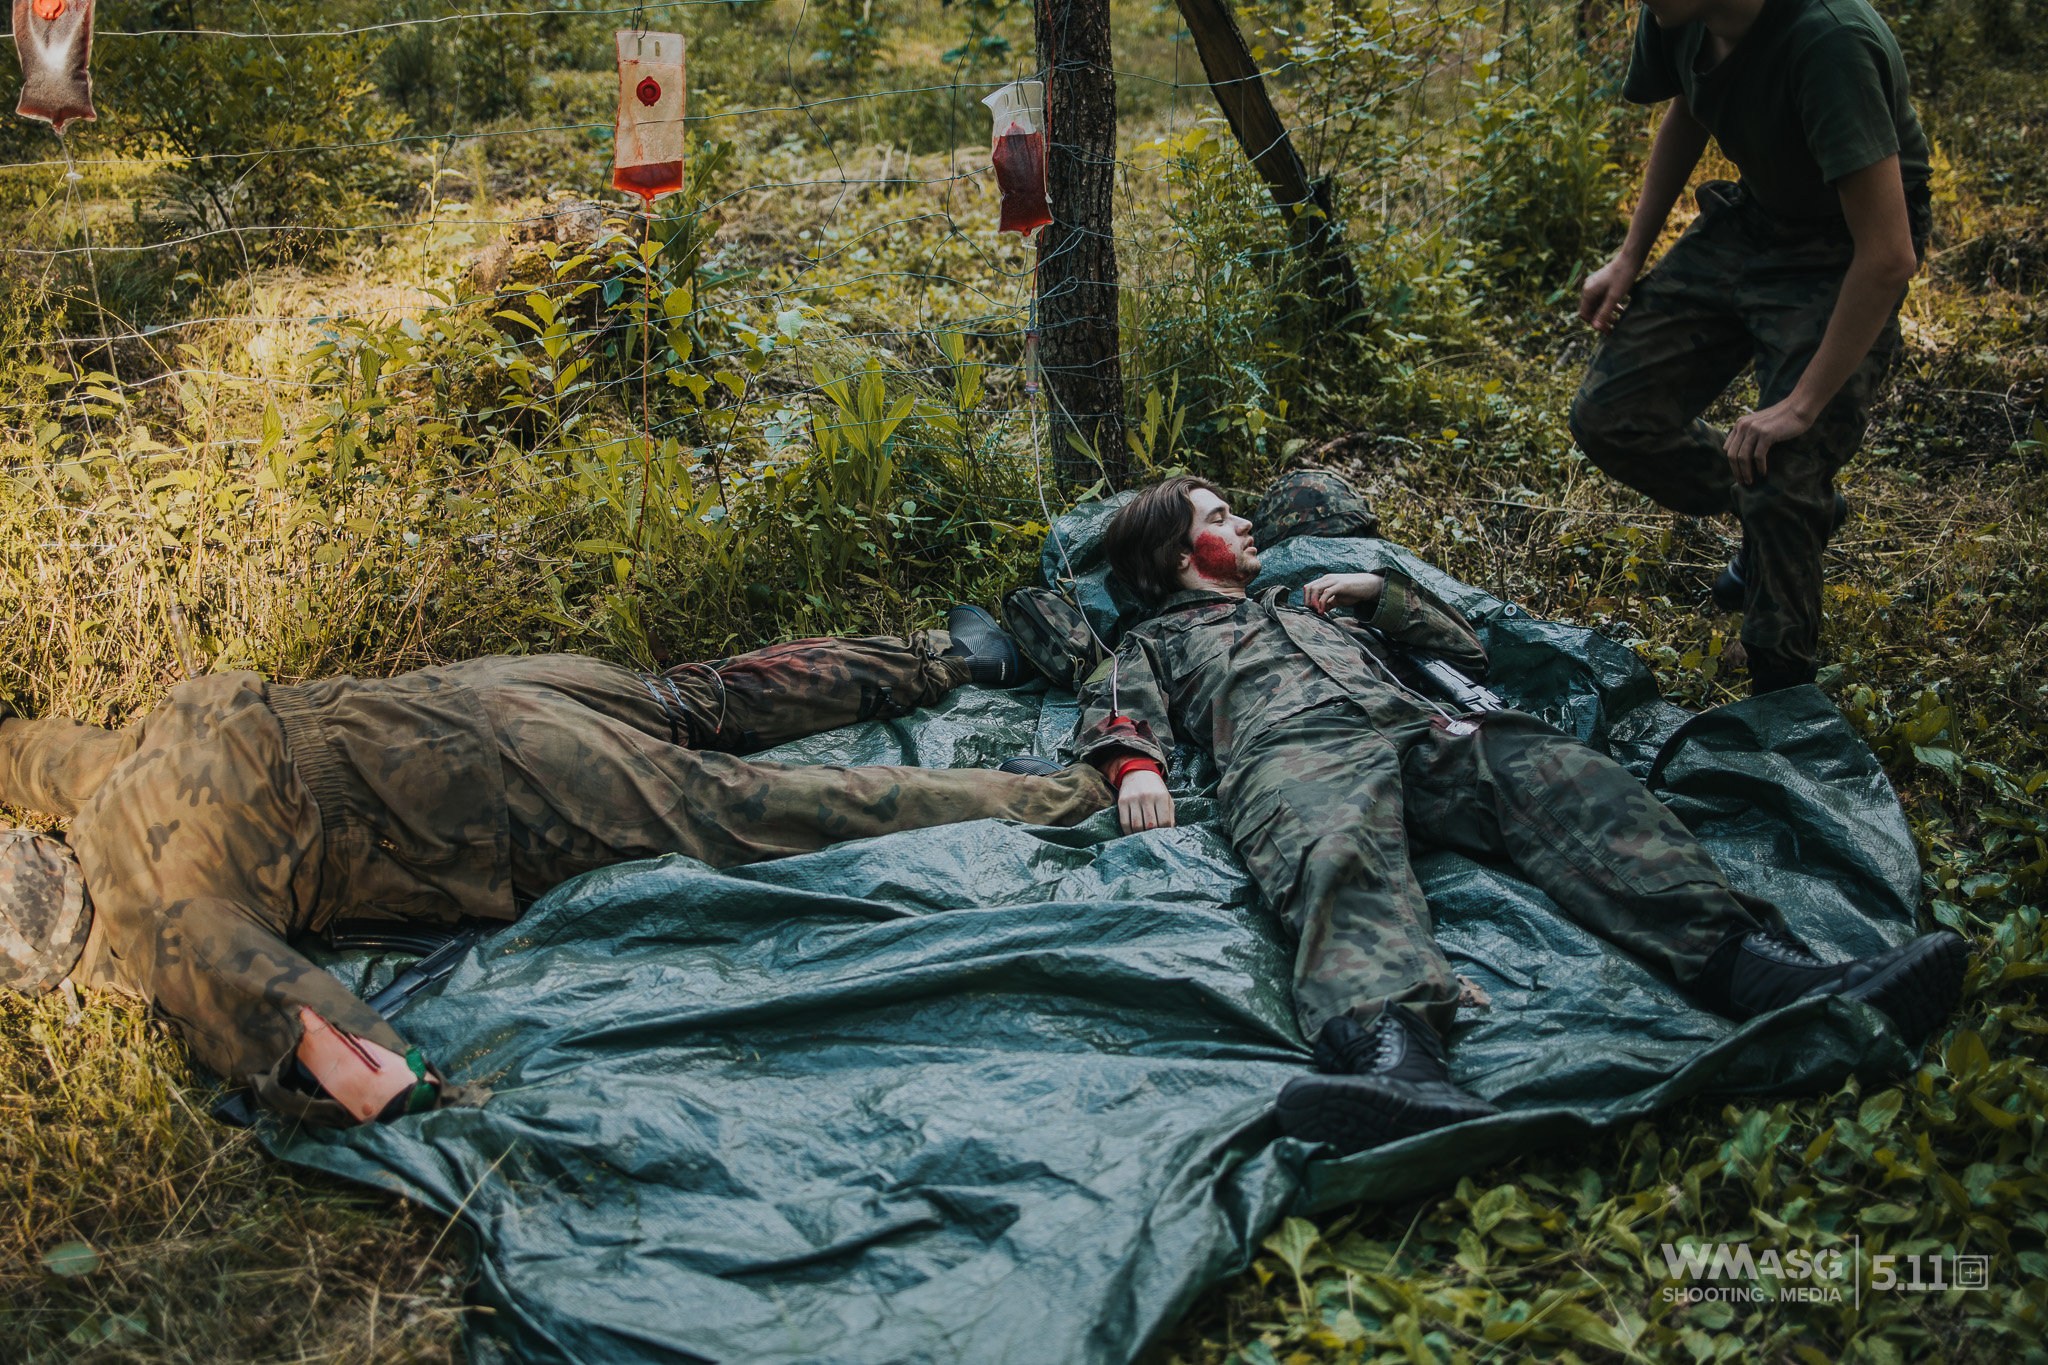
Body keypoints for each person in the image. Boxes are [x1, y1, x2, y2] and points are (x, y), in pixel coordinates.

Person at [1073, 474, 1964, 1154]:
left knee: (1557, 769)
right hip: (1293, 753)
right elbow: (1114, 705)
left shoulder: (1310, 603)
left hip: (1422, 729)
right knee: (1332, 849)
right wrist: (1135, 766)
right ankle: (1395, 1063)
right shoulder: (1156, 640)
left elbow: (1464, 645)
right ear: (1182, 559)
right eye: (1220, 519)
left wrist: (1378, 593)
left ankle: (1763, 970)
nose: (1245, 523)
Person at [0, 609, 1108, 1127]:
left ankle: (1064, 793)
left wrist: (423, 1095)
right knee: (693, 700)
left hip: (503, 789)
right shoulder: (107, 771)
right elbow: (18, 747)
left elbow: (333, 1044)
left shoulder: (165, 924)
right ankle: (952, 656)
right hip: (486, 690)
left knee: (756, 815)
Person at [1568, 0, 1930, 694]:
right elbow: (1689, 111)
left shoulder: (1829, 42)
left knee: (1785, 464)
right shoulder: (1678, 14)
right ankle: (1783, 512)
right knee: (1609, 416)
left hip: (1846, 245)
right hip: (1756, 216)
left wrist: (1799, 406)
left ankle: (1780, 695)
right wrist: (1628, 257)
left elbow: (1887, 254)